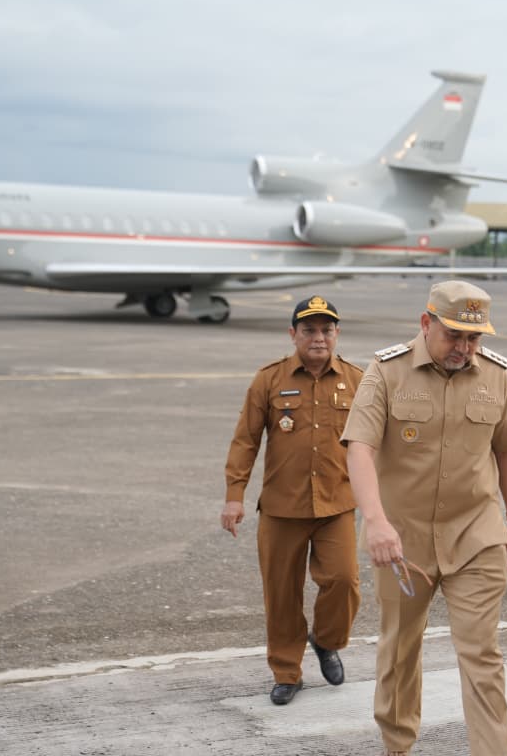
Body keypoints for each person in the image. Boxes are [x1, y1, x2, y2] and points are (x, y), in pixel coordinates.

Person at [342, 280, 507, 756]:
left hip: (476, 534)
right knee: (400, 651)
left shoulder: (495, 375)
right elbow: (359, 448)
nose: (464, 348)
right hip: (401, 542)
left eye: (474, 338)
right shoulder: (386, 371)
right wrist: (375, 522)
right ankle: (397, 746)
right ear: (426, 323)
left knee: (482, 654)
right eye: (454, 336)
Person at [221, 295, 364, 706]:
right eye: (309, 330)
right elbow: (245, 441)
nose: (319, 338)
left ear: (337, 333)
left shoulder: (357, 380)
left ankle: (327, 640)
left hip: (336, 504)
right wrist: (234, 497)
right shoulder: (268, 379)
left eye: (326, 330)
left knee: (343, 581)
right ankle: (287, 672)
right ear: (293, 334)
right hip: (282, 507)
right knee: (282, 594)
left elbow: (372, 443)